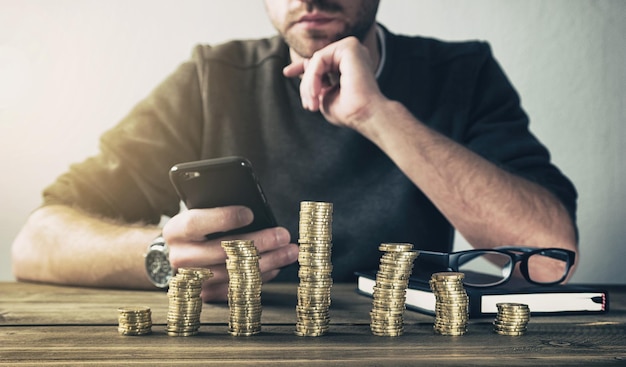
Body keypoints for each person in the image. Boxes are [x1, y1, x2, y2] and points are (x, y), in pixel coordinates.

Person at [11, 0, 578, 302]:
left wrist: (376, 116)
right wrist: (160, 257)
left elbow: (551, 258)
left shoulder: (464, 74)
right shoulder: (212, 77)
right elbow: (34, 243)